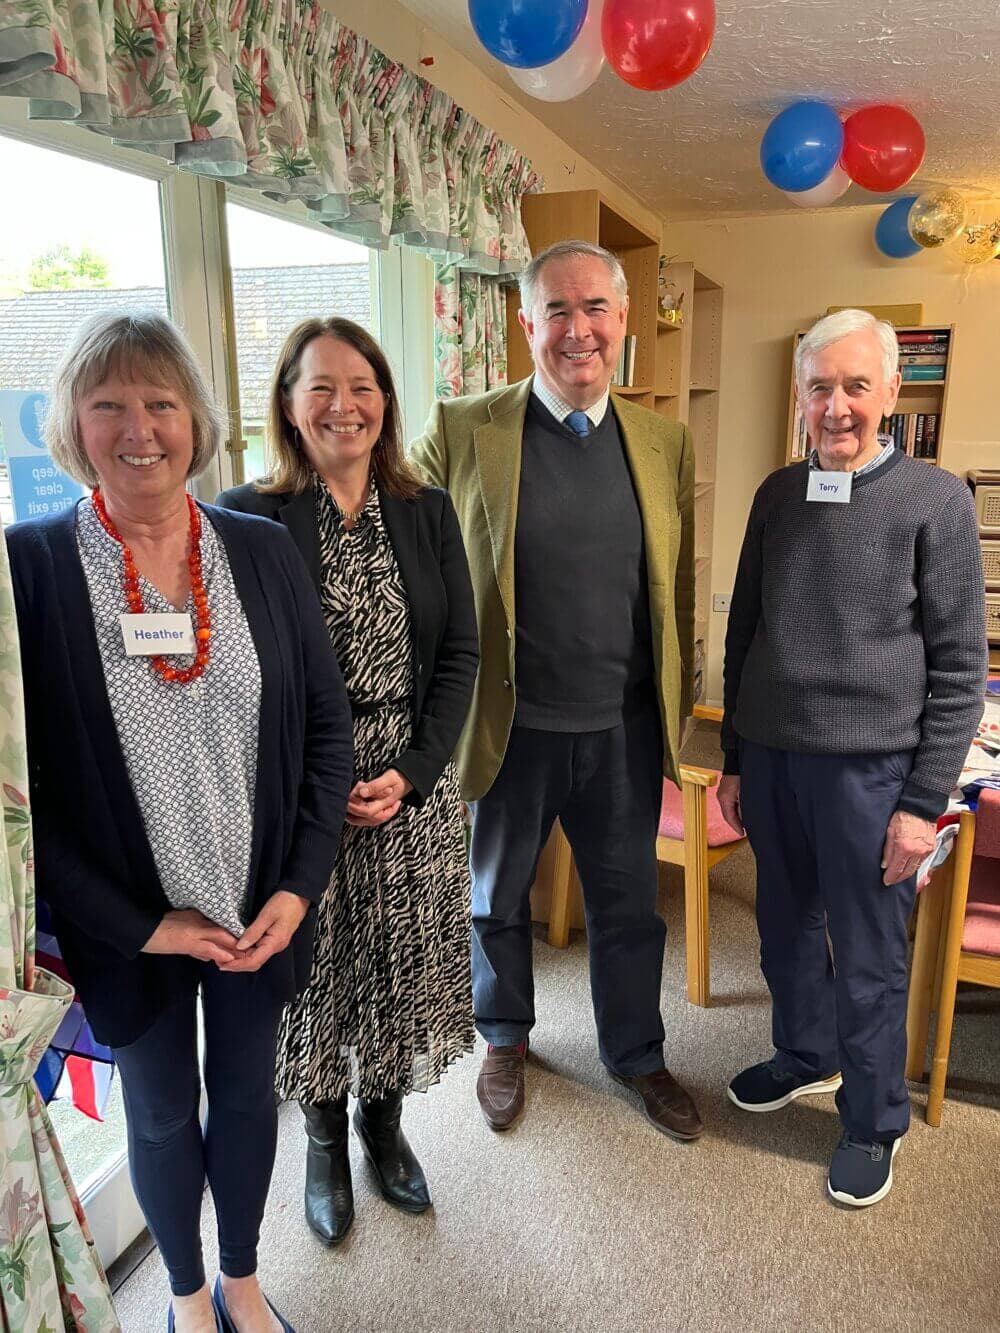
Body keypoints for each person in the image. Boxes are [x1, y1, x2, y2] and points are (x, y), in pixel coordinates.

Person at [7, 311, 354, 1333]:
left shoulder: (260, 550)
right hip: (131, 926)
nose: (139, 428)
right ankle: (188, 1297)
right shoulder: (29, 569)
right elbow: (20, 799)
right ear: (72, 422)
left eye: (161, 402)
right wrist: (142, 926)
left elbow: (326, 731)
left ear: (195, 419)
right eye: (108, 403)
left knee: (245, 1097)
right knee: (158, 1111)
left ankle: (242, 1279)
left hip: (258, 913)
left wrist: (298, 887)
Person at [410, 239, 701, 1141]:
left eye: (596, 309)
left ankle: (636, 1051)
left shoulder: (663, 440)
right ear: (526, 323)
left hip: (623, 727)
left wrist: (680, 710)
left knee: (630, 907)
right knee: (496, 898)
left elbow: (676, 585)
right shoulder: (464, 427)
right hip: (510, 724)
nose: (580, 330)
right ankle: (504, 1036)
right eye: (558, 311)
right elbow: (387, 527)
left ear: (623, 320)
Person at [217, 316, 478, 1245]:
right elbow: (234, 671)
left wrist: (413, 771)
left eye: (362, 386)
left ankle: (383, 1124)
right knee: (320, 972)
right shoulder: (245, 515)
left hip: (410, 785)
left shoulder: (426, 508)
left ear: (386, 402)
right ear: (289, 405)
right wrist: (308, 786)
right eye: (321, 386)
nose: (344, 405)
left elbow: (461, 655)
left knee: (399, 967)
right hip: (301, 789)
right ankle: (324, 1138)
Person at [718, 308, 987, 1208]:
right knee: (783, 927)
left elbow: (959, 668)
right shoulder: (775, 496)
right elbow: (744, 632)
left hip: (872, 774)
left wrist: (921, 802)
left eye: (856, 386)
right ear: (799, 397)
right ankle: (806, 1053)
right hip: (773, 759)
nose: (837, 407)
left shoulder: (936, 501)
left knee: (869, 953)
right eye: (820, 388)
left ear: (891, 391)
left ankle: (874, 1120)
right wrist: (734, 758)